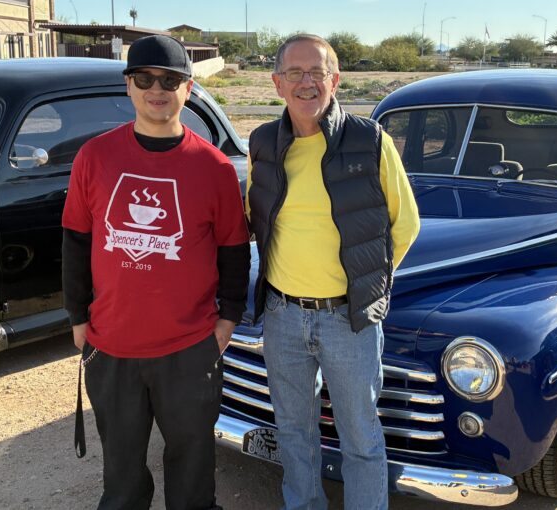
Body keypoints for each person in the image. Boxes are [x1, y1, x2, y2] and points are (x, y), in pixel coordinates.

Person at [62, 34, 250, 510]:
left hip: (188, 350)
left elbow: (233, 250)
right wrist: (78, 318)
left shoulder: (213, 168)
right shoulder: (95, 157)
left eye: (170, 80)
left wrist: (227, 321)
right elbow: (76, 243)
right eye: (145, 79)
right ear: (129, 86)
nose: (157, 89)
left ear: (188, 89)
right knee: (122, 478)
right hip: (112, 347)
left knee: (192, 474)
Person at [246, 34, 420, 510]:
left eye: (317, 72)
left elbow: (404, 225)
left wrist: (367, 288)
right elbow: (254, 215)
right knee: (293, 431)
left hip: (350, 320)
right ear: (277, 83)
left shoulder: (370, 141)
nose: (307, 83)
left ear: (335, 80)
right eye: (295, 73)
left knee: (361, 437)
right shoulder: (262, 144)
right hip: (282, 317)